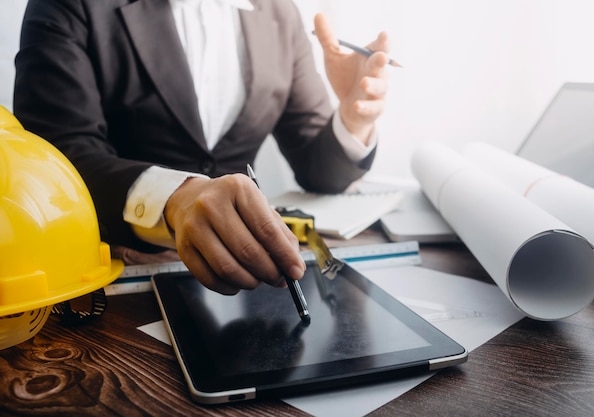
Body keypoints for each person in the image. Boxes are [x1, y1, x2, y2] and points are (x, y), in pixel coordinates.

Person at [13, 0, 391, 296]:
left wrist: (352, 121)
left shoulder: (279, 13)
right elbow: (57, 157)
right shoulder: (67, 4)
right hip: (116, 280)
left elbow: (318, 168)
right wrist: (175, 199)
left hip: (254, 279)